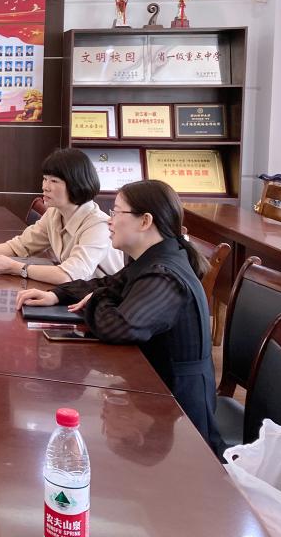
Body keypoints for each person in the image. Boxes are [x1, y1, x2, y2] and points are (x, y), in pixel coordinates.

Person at [16, 179, 224, 455]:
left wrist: (97, 299)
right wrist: (57, 295)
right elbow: (107, 285)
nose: (110, 221)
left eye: (116, 212)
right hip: (153, 388)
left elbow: (121, 327)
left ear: (145, 221)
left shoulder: (164, 275)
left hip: (179, 409)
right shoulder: (149, 259)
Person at [0, 148, 123, 284]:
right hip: (75, 295)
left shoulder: (98, 226)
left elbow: (68, 275)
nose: (45, 187)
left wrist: (16, 268)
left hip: (103, 304)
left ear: (76, 184)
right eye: (45, 179)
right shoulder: (54, 213)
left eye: (54, 181)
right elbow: (20, 246)